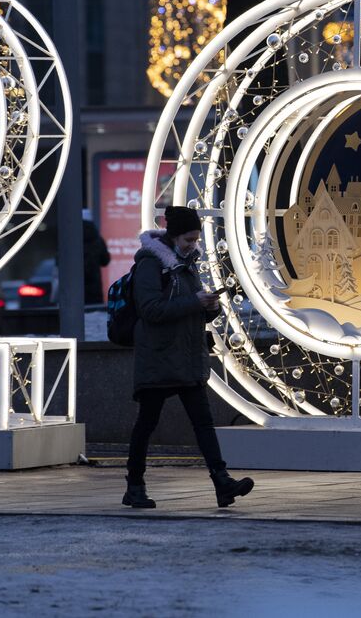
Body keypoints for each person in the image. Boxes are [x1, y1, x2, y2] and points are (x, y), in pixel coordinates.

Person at [123, 205, 254, 510]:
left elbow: (189, 305)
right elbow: (151, 310)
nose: (193, 245)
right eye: (188, 239)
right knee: (147, 423)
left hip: (187, 357)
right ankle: (135, 485)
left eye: (196, 240)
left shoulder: (187, 263)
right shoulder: (150, 264)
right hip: (158, 358)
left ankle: (222, 483)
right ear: (173, 236)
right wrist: (194, 302)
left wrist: (210, 307)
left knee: (203, 422)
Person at [82, 209, 111, 305]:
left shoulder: (71, 237)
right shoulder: (97, 239)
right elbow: (105, 260)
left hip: (76, 287)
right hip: (94, 286)